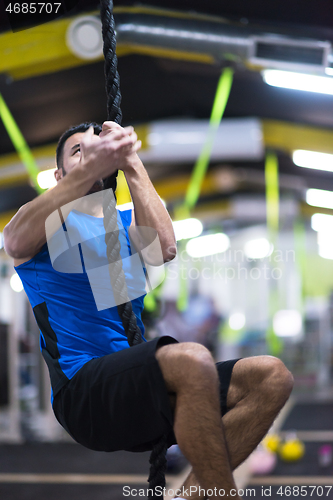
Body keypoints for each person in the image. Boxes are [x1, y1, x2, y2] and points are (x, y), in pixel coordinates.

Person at [4, 121, 293, 500]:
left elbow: (163, 249)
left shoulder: (119, 224)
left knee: (272, 377)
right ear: (58, 175)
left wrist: (131, 162)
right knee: (191, 359)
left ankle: (192, 496)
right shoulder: (45, 223)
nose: (91, 152)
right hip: (84, 395)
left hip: (132, 390)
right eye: (79, 151)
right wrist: (93, 164)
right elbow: (13, 240)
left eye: (97, 146)